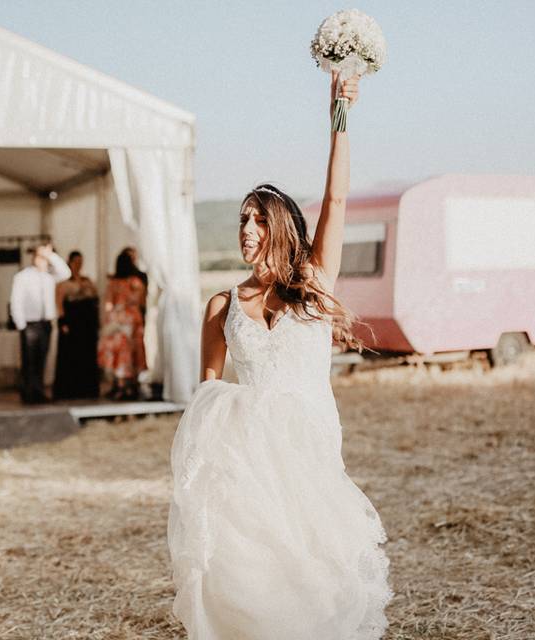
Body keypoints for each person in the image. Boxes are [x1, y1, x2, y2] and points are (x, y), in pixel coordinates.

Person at [167, 73, 391, 639]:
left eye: (258, 217)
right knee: (253, 578)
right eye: (242, 218)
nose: (247, 227)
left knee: (316, 572)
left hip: (311, 447)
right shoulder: (221, 304)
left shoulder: (315, 281)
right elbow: (206, 393)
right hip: (249, 462)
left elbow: (337, 196)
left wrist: (339, 114)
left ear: (282, 226)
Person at [10, 243, 70, 404]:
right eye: (40, 258)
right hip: (29, 323)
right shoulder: (23, 276)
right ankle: (28, 392)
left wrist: (51, 255)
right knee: (29, 360)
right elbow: (16, 300)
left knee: (41, 359)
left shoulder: (49, 276)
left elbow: (66, 272)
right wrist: (21, 324)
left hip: (46, 323)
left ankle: (38, 392)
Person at [97, 248, 147, 400]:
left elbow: (108, 305)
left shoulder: (113, 283)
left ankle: (119, 385)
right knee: (134, 351)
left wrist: (108, 321)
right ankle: (132, 386)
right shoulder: (136, 283)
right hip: (134, 319)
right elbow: (141, 302)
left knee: (118, 352)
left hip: (117, 320)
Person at [53, 250, 100, 400]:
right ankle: (68, 390)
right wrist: (63, 322)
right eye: (76, 262)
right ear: (70, 263)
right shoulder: (63, 284)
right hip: (71, 324)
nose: (79, 265)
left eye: (81, 261)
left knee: (86, 356)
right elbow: (59, 304)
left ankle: (86, 389)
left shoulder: (88, 281)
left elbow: (95, 298)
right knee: (70, 356)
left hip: (86, 325)